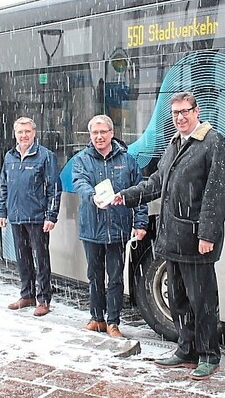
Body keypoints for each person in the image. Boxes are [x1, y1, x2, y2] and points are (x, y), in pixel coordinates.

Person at [113, 92, 225, 380]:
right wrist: (125, 196)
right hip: (172, 240)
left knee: (202, 301)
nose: (180, 117)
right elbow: (156, 182)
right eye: (176, 113)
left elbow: (218, 194)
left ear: (197, 111)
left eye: (185, 111)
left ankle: (209, 355)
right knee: (178, 299)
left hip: (196, 241)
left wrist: (207, 234)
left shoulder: (212, 143)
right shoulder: (175, 143)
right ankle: (186, 349)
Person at [72, 115, 148, 338]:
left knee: (115, 277)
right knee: (94, 275)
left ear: (111, 133)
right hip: (92, 229)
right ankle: (97, 318)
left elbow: (139, 192)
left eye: (103, 132)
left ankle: (113, 321)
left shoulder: (127, 159)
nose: (98, 137)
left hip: (118, 228)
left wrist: (140, 222)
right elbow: (80, 183)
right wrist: (92, 196)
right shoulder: (82, 160)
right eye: (94, 133)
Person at [0, 117, 61, 317]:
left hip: (37, 217)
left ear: (34, 133)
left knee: (41, 259)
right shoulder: (9, 156)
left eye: (27, 131)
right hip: (16, 217)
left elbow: (54, 188)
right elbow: (4, 186)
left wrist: (51, 215)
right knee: (22, 258)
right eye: (20, 132)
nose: (23, 135)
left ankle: (43, 299)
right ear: (15, 134)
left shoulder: (45, 156)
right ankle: (27, 295)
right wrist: (2, 211)